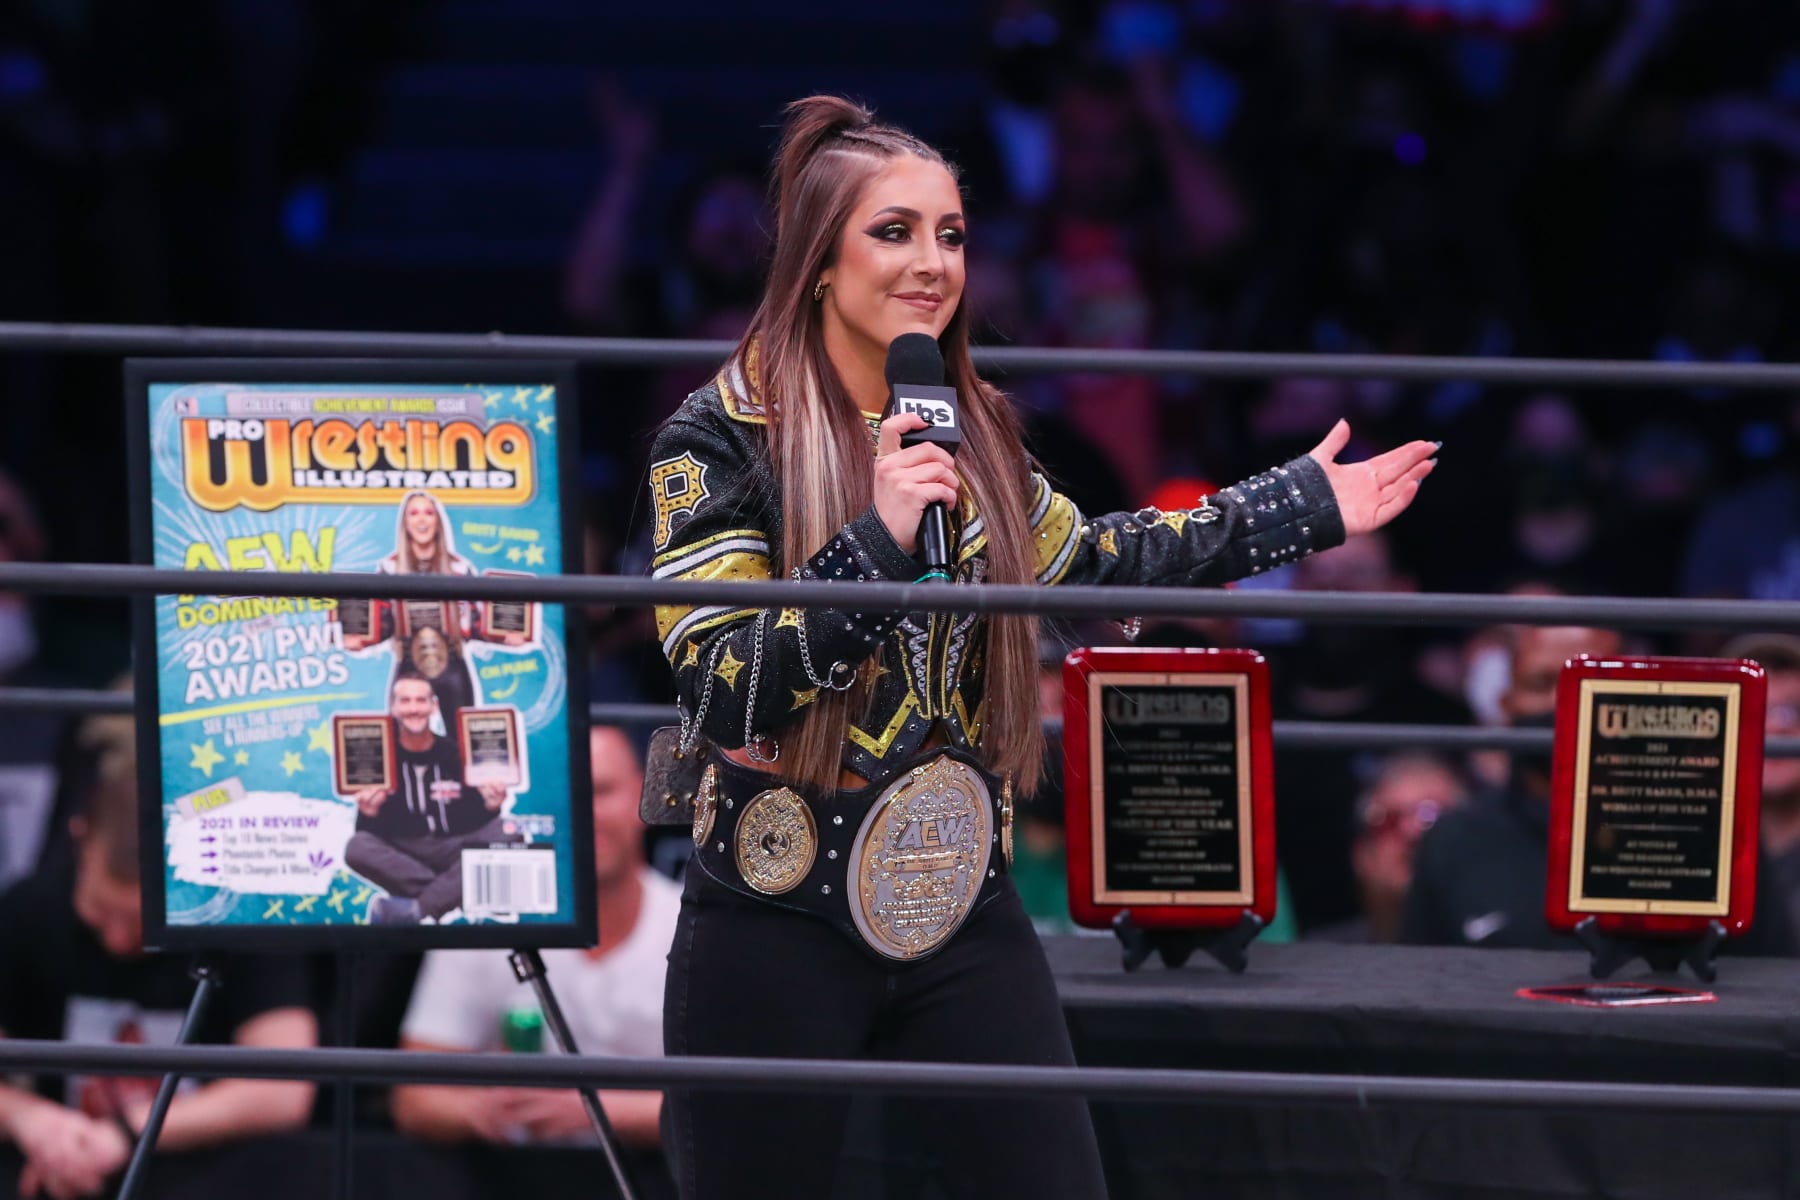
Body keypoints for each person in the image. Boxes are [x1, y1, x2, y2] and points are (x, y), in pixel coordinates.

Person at [646, 94, 1438, 1200]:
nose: (933, 262)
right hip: (774, 913)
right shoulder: (719, 436)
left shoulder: (971, 428)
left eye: (952, 233)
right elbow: (722, 689)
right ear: (818, 262)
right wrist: (874, 543)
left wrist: (1295, 508)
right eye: (895, 230)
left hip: (962, 903)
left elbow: (1090, 562)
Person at [0, 708, 315, 1199]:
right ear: (80, 841)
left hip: (203, 1174)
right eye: (103, 912)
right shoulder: (30, 911)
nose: (119, 940)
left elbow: (284, 1089)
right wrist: (31, 1120)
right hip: (56, 1166)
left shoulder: (235, 914)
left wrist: (126, 1133)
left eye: (146, 927)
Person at [391, 726, 678, 1147]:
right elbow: (413, 1097)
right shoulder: (486, 921)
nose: (584, 814)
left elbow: (734, 1109)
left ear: (645, 794)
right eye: (565, 795)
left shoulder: (689, 928)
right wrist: (482, 1111)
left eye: (601, 791)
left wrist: (594, 1112)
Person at [343, 669, 519, 923]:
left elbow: (478, 819)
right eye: (405, 701)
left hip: (454, 845)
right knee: (357, 847)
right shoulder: (378, 758)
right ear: (393, 708)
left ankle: (420, 908)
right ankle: (461, 891)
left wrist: (492, 806)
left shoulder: (456, 752)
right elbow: (369, 833)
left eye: (420, 700)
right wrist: (368, 813)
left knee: (508, 831)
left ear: (433, 706)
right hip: (406, 849)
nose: (413, 708)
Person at [1308, 752, 1469, 944]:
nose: (1412, 832)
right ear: (1361, 855)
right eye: (1387, 819)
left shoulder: (1504, 949)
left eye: (1431, 816)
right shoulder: (1322, 957)